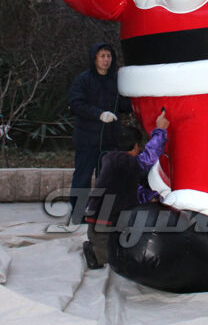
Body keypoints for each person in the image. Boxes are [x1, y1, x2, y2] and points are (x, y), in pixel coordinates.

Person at [82, 109, 169, 269]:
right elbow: (148, 158)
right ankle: (92, 253)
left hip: (102, 217)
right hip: (104, 220)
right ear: (136, 146)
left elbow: (131, 190)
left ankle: (94, 248)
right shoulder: (124, 161)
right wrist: (160, 131)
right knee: (111, 255)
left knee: (119, 245)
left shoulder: (114, 161)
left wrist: (151, 196)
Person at [69, 42, 132, 221]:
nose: (106, 60)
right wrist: (99, 114)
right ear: (94, 58)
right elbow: (76, 104)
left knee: (107, 179)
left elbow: (124, 105)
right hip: (87, 139)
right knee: (82, 178)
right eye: (102, 56)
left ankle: (102, 214)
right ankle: (78, 214)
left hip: (110, 139)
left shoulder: (116, 80)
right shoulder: (84, 79)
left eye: (109, 56)